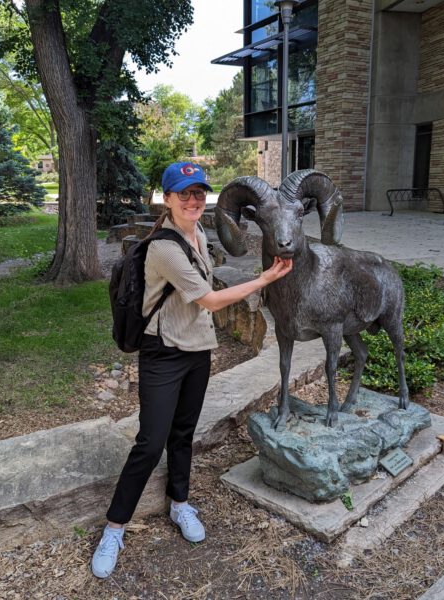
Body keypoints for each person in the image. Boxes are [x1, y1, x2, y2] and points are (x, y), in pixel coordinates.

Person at [91, 162, 292, 578]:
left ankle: (179, 504)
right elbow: (212, 300)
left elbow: (203, 292)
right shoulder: (164, 248)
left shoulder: (198, 233)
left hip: (197, 350)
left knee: (183, 434)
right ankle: (114, 528)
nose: (193, 200)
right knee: (150, 442)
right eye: (184, 193)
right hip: (162, 354)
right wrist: (266, 278)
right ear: (168, 199)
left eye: (199, 192)